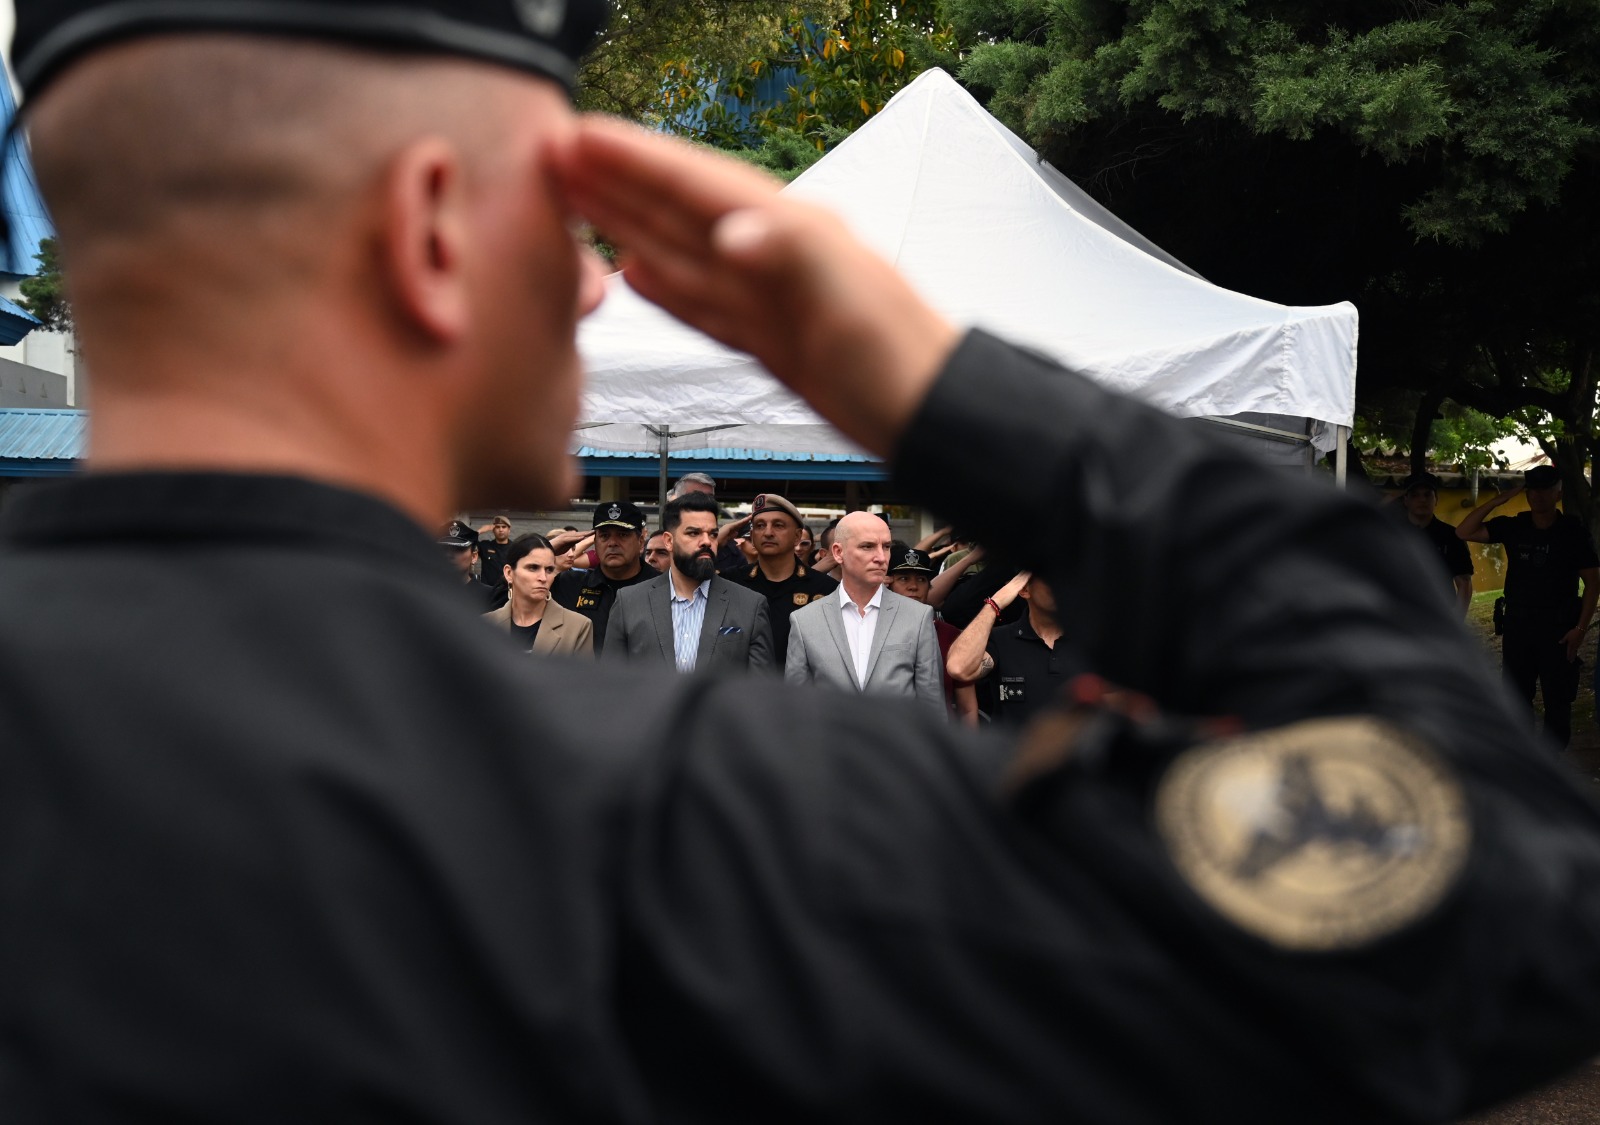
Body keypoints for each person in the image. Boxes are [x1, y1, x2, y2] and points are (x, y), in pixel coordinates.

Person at [6, 4, 1600, 1121]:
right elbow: (1492, 909)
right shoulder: (713, 820)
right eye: (554, 218)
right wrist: (936, 379)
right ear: (432, 228)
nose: (583, 299)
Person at [1457, 465, 1600, 748]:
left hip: (1558, 631)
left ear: (1558, 494)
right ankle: (1521, 761)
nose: (1538, 495)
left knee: (1557, 702)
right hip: (1519, 628)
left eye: (1545, 489)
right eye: (1532, 489)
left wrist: (1580, 629)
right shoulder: (1515, 525)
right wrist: (1497, 501)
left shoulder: (1572, 531)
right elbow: (1464, 531)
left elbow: (1593, 584)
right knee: (1515, 700)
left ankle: (1553, 765)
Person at [785, 512, 944, 716]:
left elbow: (931, 705)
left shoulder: (918, 617)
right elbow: (797, 707)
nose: (880, 557)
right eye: (867, 546)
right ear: (838, 552)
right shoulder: (805, 620)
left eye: (886, 547)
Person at [603, 491, 775, 672]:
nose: (706, 542)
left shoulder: (750, 606)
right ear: (669, 541)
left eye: (713, 534)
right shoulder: (629, 602)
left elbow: (760, 691)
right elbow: (611, 684)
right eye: (694, 533)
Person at [946, 569, 1084, 727]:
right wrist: (995, 603)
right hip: (1012, 750)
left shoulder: (1091, 640)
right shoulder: (1000, 639)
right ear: (1024, 589)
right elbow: (958, 668)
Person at [722, 492, 836, 666]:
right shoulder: (731, 583)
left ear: (797, 536)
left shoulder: (826, 589)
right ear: (752, 536)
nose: (768, 532)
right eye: (760, 526)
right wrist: (717, 541)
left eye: (778, 525)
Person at [885, 540, 979, 724]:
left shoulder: (949, 634)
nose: (914, 586)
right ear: (888, 584)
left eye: (921, 579)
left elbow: (967, 708)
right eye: (904, 578)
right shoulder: (871, 630)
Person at [550, 500, 652, 654]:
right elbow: (511, 591)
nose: (612, 543)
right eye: (604, 536)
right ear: (595, 543)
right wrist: (548, 547)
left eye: (622, 535)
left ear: (641, 542)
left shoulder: (662, 586)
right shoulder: (570, 584)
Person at [481, 533, 594, 657]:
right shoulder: (484, 626)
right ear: (509, 573)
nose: (543, 578)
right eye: (533, 568)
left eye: (549, 569)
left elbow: (581, 675)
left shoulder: (577, 627)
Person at [1388, 473, 1473, 617]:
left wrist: (1455, 622)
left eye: (1428, 495)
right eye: (1415, 495)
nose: (1422, 500)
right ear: (1405, 500)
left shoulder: (1451, 535)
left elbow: (1464, 583)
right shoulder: (1391, 534)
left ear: (1436, 500)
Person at [440, 518, 498, 612]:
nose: (449, 555)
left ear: (474, 557)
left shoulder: (489, 597)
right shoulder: (423, 592)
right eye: (444, 549)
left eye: (458, 549)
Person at [476, 514, 515, 586]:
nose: (501, 530)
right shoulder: (485, 546)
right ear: (493, 530)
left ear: (509, 530)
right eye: (497, 527)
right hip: (487, 591)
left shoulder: (515, 548)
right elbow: (468, 544)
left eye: (504, 527)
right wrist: (480, 531)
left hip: (507, 591)